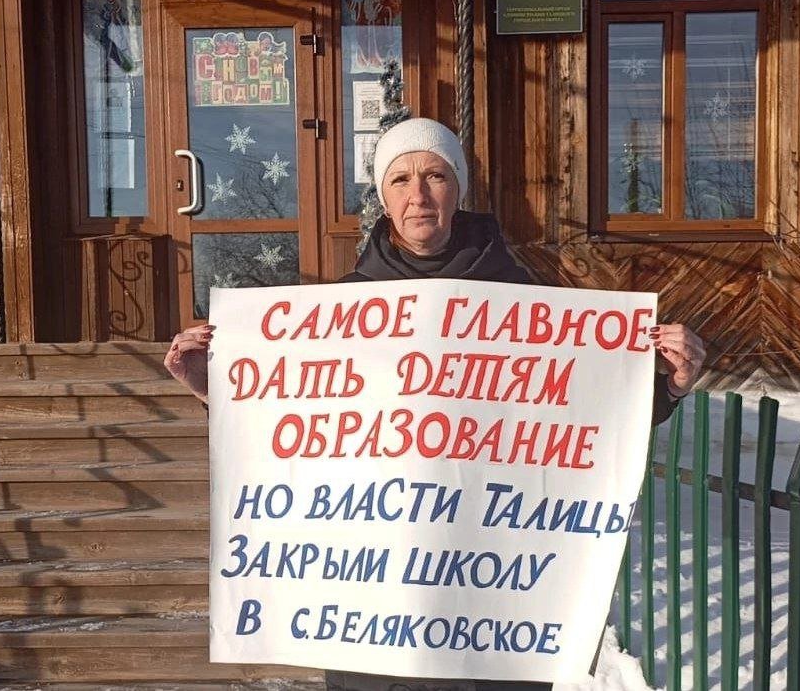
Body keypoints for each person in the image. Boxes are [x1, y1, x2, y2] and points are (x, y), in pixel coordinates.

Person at [165, 118, 707, 691]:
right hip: (374, 598)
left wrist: (668, 385)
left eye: (435, 175)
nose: (418, 194)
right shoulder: (337, 311)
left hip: (493, 596)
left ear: (459, 190)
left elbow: (585, 418)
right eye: (400, 179)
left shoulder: (527, 304)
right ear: (382, 198)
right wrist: (213, 390)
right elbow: (290, 427)